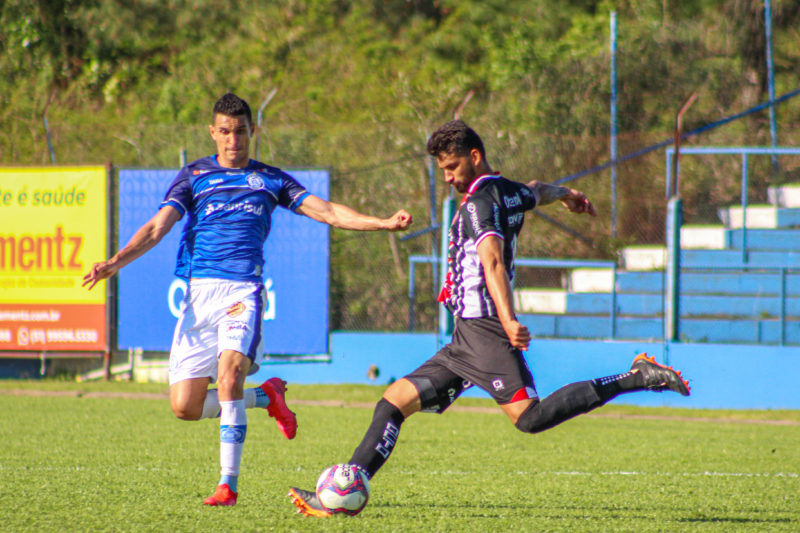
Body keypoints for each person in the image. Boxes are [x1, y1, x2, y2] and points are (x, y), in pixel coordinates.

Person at [288, 120, 690, 517]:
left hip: (485, 332)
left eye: (452, 168)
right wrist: (566, 194)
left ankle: (638, 376)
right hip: (465, 338)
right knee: (392, 404)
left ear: (474, 156)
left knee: (529, 419)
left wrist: (509, 319)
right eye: (442, 170)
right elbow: (535, 190)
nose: (446, 177)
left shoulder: (480, 203)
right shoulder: (507, 192)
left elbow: (493, 261)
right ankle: (341, 492)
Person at [83, 93, 412, 507]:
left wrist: (381, 223)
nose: (233, 140)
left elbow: (327, 211)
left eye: (240, 131)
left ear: (252, 131)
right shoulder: (193, 176)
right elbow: (157, 228)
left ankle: (228, 485)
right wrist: (116, 262)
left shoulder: (271, 179)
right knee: (184, 406)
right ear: (212, 132)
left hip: (242, 292)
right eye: (224, 132)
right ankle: (267, 396)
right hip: (198, 296)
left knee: (228, 375)